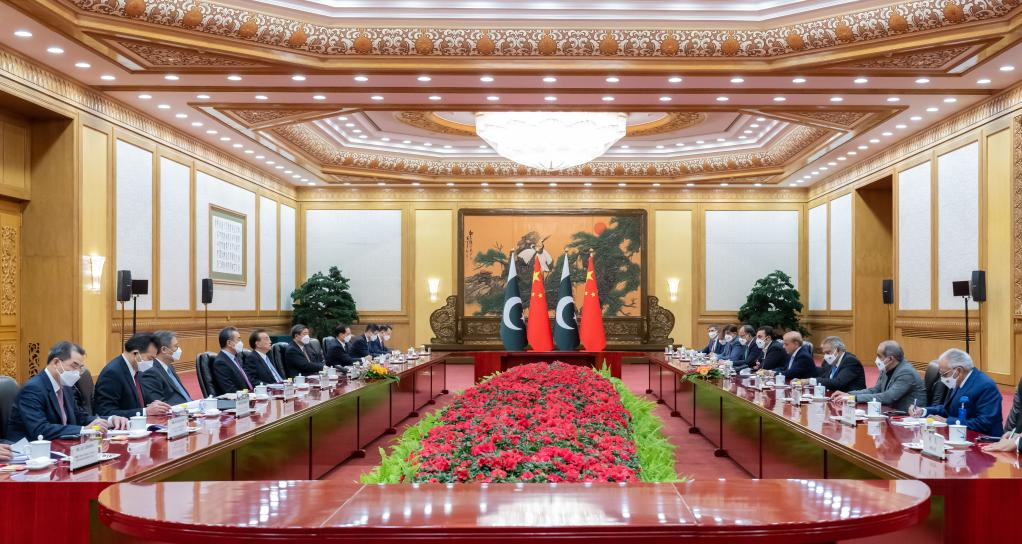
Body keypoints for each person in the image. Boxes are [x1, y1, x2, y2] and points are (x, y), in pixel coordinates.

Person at [6, 341, 129, 441]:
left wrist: (110, 420)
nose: (78, 373)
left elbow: (79, 417)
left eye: (81, 368)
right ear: (56, 362)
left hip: (60, 445)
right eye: (74, 366)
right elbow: (40, 429)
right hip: (28, 450)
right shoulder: (32, 389)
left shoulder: (66, 386)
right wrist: (83, 430)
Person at [908, 348, 1003, 436]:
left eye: (944, 374)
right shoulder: (957, 380)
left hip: (984, 440)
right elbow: (948, 409)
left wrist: (948, 421)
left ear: (958, 370)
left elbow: (985, 423)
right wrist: (923, 411)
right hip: (959, 435)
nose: (942, 379)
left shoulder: (986, 386)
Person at [831, 340, 926, 412]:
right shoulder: (886, 368)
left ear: (890, 359)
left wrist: (854, 398)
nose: (877, 359)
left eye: (879, 356)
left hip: (909, 418)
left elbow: (888, 397)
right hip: (891, 413)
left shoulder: (906, 372)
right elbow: (875, 390)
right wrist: (849, 394)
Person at [94, 333, 172, 418]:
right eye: (150, 358)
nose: (152, 363)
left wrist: (154, 405)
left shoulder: (136, 369)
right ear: (135, 353)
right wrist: (145, 411)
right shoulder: (112, 373)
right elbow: (106, 412)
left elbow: (136, 403)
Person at [141, 330, 192, 406]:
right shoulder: (150, 371)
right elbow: (159, 405)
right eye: (176, 346)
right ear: (164, 350)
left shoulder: (169, 366)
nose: (179, 350)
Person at [211, 326, 253, 395]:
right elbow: (230, 390)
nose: (241, 343)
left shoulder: (238, 357)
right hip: (241, 399)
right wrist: (250, 395)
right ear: (229, 343)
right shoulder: (221, 363)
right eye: (238, 340)